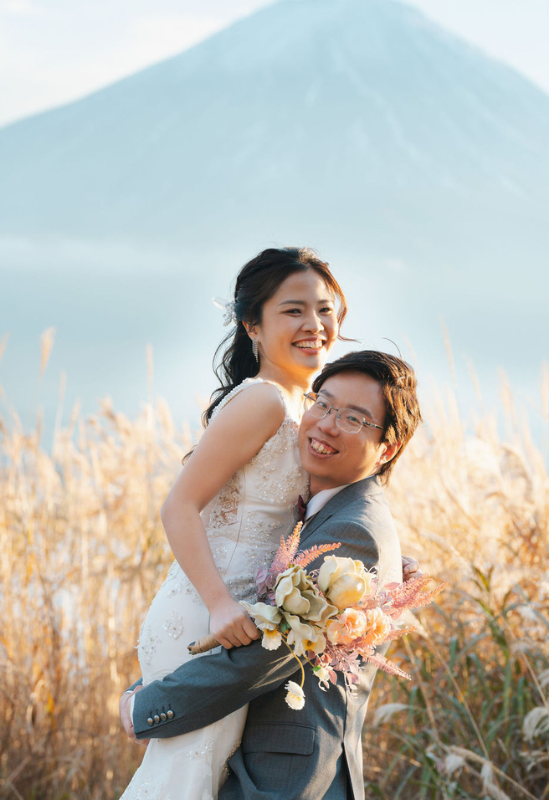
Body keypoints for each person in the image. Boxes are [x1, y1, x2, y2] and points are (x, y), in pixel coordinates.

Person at [121, 350, 421, 800]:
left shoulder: (354, 531)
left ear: (388, 448)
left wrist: (144, 706)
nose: (326, 424)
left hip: (285, 780)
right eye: (323, 403)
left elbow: (264, 655)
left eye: (355, 419)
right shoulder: (320, 514)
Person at [118, 247, 347, 800]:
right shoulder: (263, 401)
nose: (314, 325)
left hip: (246, 620)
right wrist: (220, 603)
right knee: (185, 779)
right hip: (208, 614)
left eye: (324, 309)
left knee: (204, 778)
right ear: (253, 326)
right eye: (293, 311)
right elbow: (178, 506)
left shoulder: (304, 405)